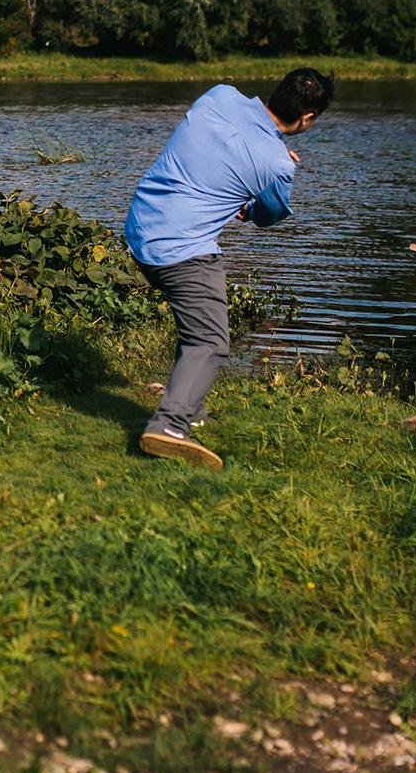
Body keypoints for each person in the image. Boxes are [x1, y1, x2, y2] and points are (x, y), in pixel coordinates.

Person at [123, 68, 334, 471]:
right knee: (210, 339)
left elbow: (210, 150)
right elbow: (267, 216)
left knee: (199, 323)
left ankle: (193, 409)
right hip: (180, 248)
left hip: (140, 226)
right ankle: (168, 426)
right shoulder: (278, 164)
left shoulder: (218, 96)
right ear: (307, 119)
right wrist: (265, 178)